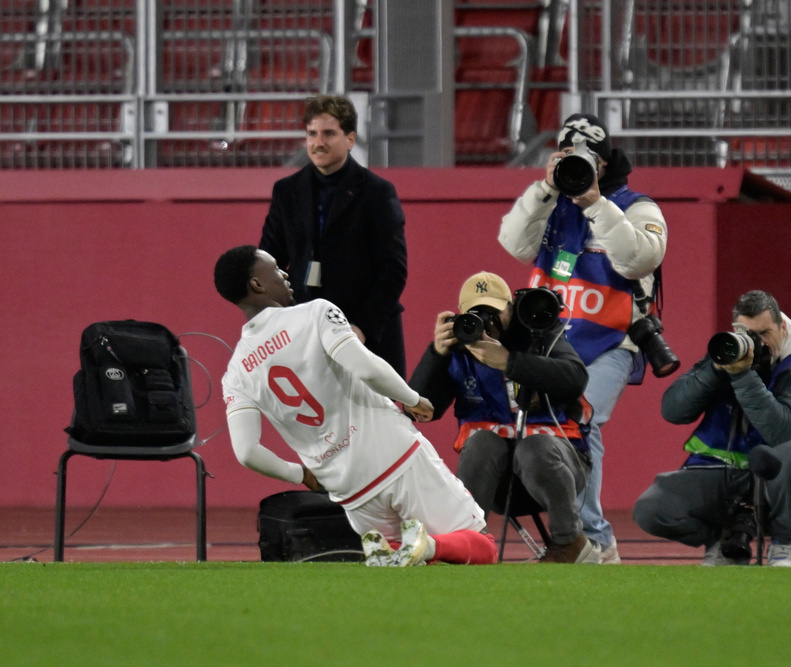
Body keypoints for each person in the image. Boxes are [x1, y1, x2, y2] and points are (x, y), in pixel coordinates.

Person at [215, 245, 497, 567]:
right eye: (276, 268)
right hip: (395, 456)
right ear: (257, 284)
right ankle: (426, 545)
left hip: (348, 489)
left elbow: (246, 451)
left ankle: (388, 548)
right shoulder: (314, 313)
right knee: (482, 546)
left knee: (406, 565)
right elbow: (365, 366)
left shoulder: (236, 371)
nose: (285, 274)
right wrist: (414, 398)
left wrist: (301, 475)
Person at [498, 113, 668, 564]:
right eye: (567, 157)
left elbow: (638, 260)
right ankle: (581, 537)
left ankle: (593, 538)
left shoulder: (637, 206)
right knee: (552, 427)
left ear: (605, 163)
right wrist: (544, 189)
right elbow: (514, 244)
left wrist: (594, 202)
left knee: (582, 417)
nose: (576, 169)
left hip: (614, 341)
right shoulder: (552, 203)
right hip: (554, 342)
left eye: (585, 160)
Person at [632, 290, 791, 567]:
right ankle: (719, 539)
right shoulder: (726, 354)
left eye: (765, 333)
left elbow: (780, 429)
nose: (758, 343)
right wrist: (714, 370)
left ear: (783, 327)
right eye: (749, 335)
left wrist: (741, 375)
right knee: (651, 510)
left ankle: (782, 547)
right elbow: (673, 411)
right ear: (736, 330)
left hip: (778, 477)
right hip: (722, 471)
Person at [408, 272, 600, 563]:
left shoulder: (538, 332)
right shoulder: (461, 347)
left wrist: (510, 362)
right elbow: (420, 408)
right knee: (481, 443)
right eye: (478, 314)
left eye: (494, 312)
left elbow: (576, 378)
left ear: (511, 308)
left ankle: (569, 543)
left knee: (534, 447)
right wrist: (436, 354)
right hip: (497, 477)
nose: (488, 322)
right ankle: (465, 545)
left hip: (558, 466)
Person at [259, 94, 408, 377]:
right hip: (306, 337)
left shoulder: (377, 192)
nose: (318, 143)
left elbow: (393, 271)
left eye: (329, 133)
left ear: (350, 139)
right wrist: (277, 323)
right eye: (312, 134)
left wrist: (360, 329)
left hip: (367, 339)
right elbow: (269, 262)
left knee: (372, 422)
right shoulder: (286, 191)